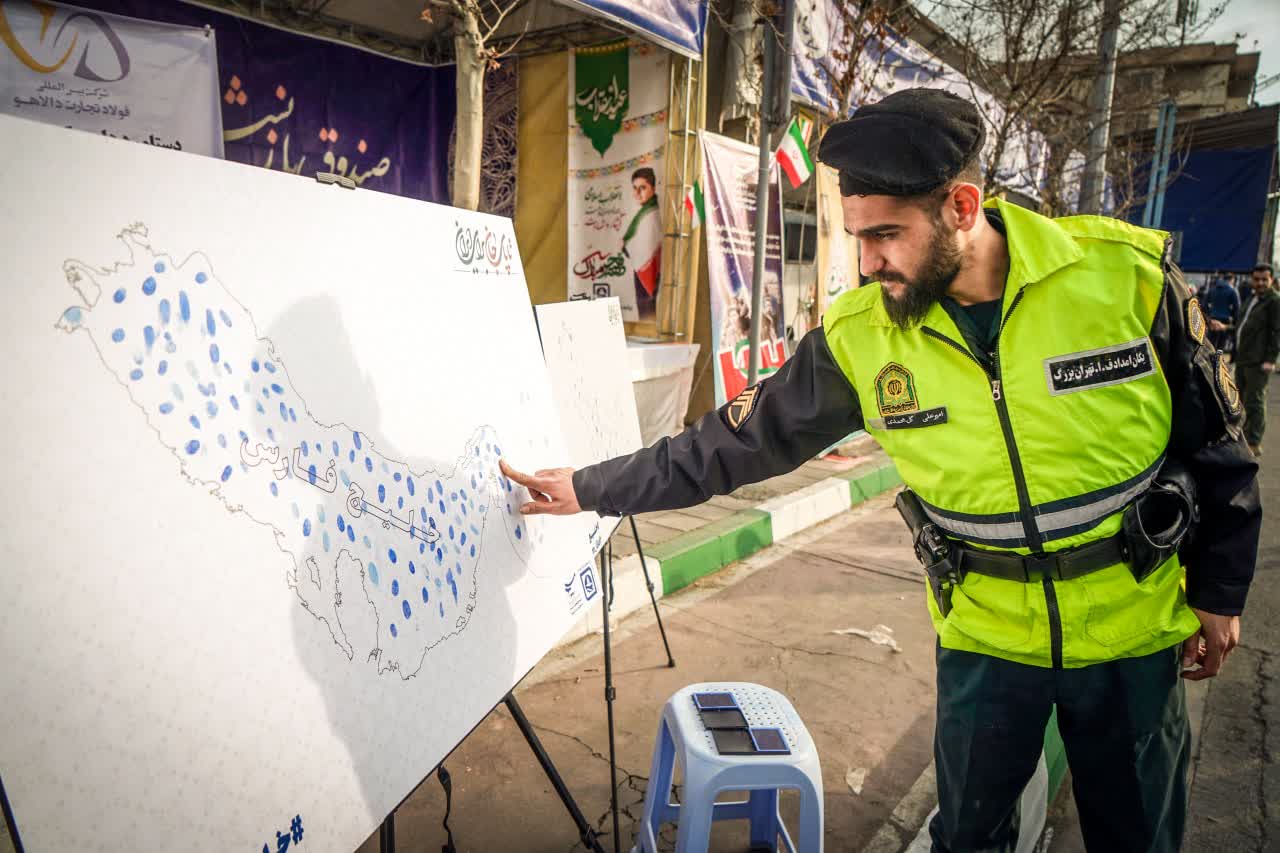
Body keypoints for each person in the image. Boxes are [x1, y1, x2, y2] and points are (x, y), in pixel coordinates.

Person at [500, 89, 1260, 852]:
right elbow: (732, 443)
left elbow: (1220, 443)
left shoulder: (1124, 278)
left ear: (963, 205)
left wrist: (1221, 590)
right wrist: (591, 487)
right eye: (859, 237)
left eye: (887, 235)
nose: (867, 262)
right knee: (967, 838)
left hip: (1131, 639)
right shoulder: (863, 336)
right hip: (986, 644)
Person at [1233, 263, 1280, 455]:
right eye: (1257, 279)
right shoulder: (1253, 298)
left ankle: (1254, 442)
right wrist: (1227, 327)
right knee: (1241, 401)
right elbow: (1244, 326)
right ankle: (1243, 437)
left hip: (1258, 362)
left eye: (1264, 280)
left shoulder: (1274, 301)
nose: (1260, 283)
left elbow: (1277, 332)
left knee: (1255, 402)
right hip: (1244, 359)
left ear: (1271, 281)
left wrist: (1270, 359)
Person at [623, 167, 662, 321]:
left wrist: (625, 245)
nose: (637, 193)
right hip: (642, 268)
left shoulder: (651, 213)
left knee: (647, 311)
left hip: (648, 270)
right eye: (635, 188)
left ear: (653, 188)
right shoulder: (644, 211)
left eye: (643, 188)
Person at [1203, 270, 1241, 352]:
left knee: (1210, 343)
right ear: (1232, 280)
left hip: (1212, 319)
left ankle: (1209, 361)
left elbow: (1204, 304)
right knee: (1221, 344)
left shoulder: (1212, 289)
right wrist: (1234, 320)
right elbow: (1236, 307)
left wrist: (1209, 315)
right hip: (1225, 320)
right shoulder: (1232, 291)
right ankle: (1218, 362)